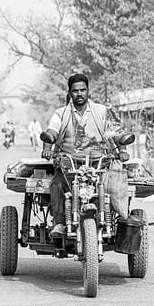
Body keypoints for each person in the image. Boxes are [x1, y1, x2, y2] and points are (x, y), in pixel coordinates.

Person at [40, 73, 130, 238]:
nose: (79, 94)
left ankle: (110, 220)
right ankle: (60, 222)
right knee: (57, 184)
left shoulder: (102, 111)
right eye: (75, 91)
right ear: (70, 93)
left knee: (110, 188)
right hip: (69, 164)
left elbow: (115, 133)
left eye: (82, 90)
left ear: (88, 91)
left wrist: (122, 150)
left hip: (99, 163)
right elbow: (51, 132)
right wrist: (47, 146)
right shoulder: (61, 113)